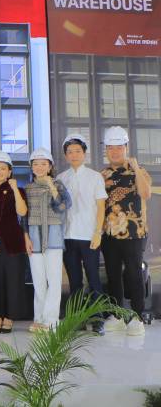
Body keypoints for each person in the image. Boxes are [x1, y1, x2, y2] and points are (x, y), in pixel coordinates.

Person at [100, 126, 153, 336]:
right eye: (110, 148)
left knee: (134, 274)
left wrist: (136, 167)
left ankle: (137, 317)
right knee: (113, 276)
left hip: (134, 233)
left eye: (119, 147)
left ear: (126, 147)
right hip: (109, 234)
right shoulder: (102, 174)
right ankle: (117, 316)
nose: (114, 152)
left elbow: (145, 193)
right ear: (106, 149)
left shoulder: (139, 171)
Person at [57, 133, 107, 335]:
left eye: (78, 151)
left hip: (89, 236)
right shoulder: (61, 178)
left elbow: (101, 207)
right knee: (75, 281)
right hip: (68, 236)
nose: (74, 155)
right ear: (65, 155)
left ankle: (98, 319)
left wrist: (98, 232)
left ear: (84, 153)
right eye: (70, 152)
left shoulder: (95, 177)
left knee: (94, 279)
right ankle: (77, 320)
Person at [24, 147, 70, 332]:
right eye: (36, 164)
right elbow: (23, 217)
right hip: (34, 238)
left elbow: (63, 206)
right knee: (38, 281)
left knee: (54, 280)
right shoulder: (28, 188)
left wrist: (51, 186)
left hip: (53, 237)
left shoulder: (59, 185)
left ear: (50, 166)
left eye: (43, 164)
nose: (39, 167)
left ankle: (51, 320)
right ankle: (39, 318)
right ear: (31, 167)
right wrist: (26, 237)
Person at [0, 151, 28, 334]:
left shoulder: (19, 190)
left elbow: (22, 212)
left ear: (10, 172)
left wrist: (15, 189)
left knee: (13, 279)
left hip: (13, 242)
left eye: (3, 168)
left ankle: (9, 318)